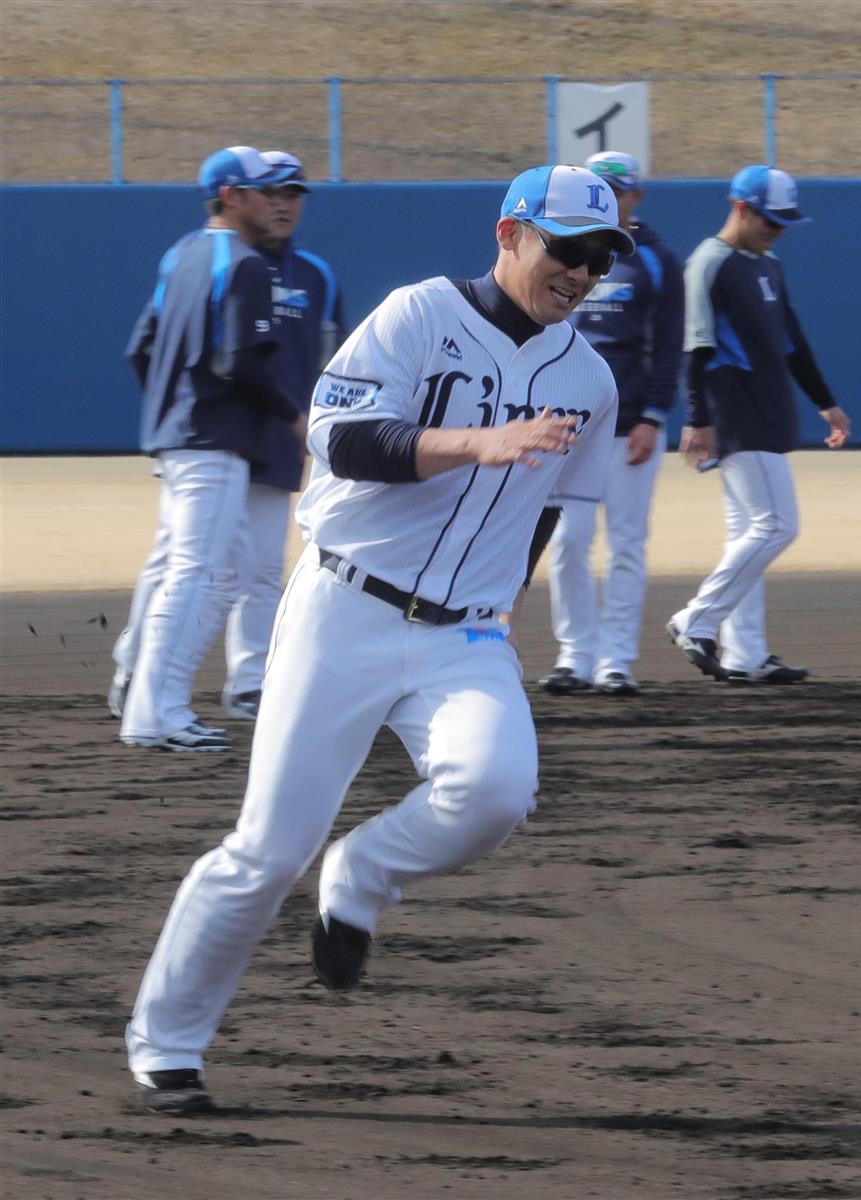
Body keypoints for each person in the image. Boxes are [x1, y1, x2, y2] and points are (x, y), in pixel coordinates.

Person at [125, 163, 631, 1115]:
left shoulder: (589, 376)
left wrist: (510, 589)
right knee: (268, 849)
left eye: (601, 258)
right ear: (510, 233)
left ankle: (362, 874)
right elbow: (342, 440)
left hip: (465, 635)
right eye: (568, 248)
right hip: (344, 608)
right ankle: (168, 1041)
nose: (583, 272)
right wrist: (471, 441)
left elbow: (553, 501)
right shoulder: (418, 314)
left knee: (494, 792)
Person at [109, 151, 345, 726]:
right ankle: (145, 690)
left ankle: (245, 685)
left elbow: (335, 361)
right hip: (230, 431)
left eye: (294, 194)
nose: (284, 203)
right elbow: (213, 358)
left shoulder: (311, 273)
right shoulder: (233, 263)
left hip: (254, 439)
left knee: (252, 568)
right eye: (274, 192)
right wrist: (188, 419)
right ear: (239, 198)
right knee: (192, 569)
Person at [666, 164, 851, 684]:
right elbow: (694, 349)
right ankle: (694, 619)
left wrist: (826, 402)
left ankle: (744, 654)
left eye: (786, 222)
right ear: (741, 208)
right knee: (777, 525)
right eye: (772, 221)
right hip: (735, 411)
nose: (779, 230)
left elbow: (794, 343)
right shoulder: (709, 263)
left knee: (747, 531)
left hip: (767, 408)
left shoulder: (767, 264)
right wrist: (697, 419)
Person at [539, 151, 684, 697]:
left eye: (617, 191)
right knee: (570, 540)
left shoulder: (657, 260)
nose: (608, 200)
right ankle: (574, 655)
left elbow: (670, 345)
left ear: (635, 197)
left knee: (626, 543)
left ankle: (616, 660)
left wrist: (653, 415)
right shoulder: (563, 254)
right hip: (570, 423)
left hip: (632, 426)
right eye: (597, 189)